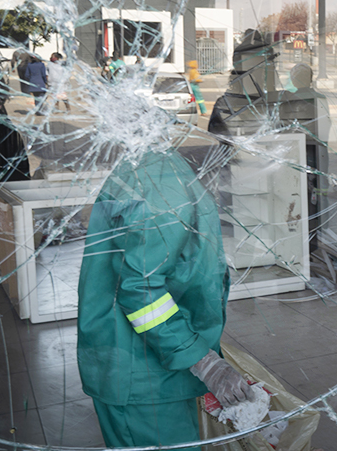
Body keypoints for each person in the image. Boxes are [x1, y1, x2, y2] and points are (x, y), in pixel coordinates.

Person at [77, 148, 255, 450]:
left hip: (150, 365)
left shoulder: (158, 167)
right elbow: (141, 292)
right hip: (142, 374)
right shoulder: (163, 182)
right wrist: (202, 361)